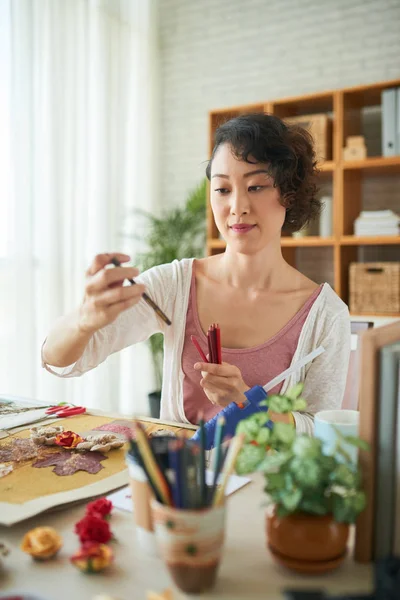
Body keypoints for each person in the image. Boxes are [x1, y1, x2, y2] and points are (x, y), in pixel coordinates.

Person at [42, 113, 350, 435]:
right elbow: (59, 361)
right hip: (178, 481)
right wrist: (83, 321)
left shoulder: (325, 316)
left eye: (256, 186)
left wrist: (247, 406)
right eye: (222, 189)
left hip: (265, 483)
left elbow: (322, 434)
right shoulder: (175, 285)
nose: (237, 206)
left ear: (290, 194)